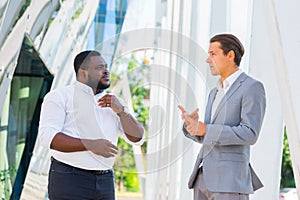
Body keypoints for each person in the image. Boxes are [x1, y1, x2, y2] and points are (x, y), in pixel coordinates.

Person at [38, 50, 144, 200]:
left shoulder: (115, 103)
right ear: (83, 73)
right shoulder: (59, 97)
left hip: (105, 180)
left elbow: (138, 138)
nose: (106, 71)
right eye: (99, 68)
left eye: (106, 67)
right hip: (69, 179)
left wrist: (122, 111)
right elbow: (48, 137)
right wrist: (90, 145)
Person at [178, 34, 266, 200]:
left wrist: (206, 129)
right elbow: (209, 135)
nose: (208, 60)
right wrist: (192, 127)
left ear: (230, 55)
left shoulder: (252, 87)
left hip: (229, 181)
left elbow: (250, 133)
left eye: (213, 54)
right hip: (202, 177)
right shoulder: (214, 92)